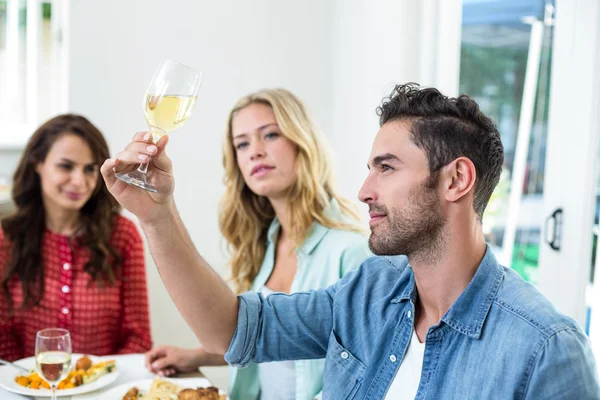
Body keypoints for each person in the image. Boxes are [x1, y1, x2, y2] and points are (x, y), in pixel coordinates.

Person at [102, 84, 599, 399]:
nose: (363, 192)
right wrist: (157, 215)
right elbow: (233, 330)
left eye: (386, 168)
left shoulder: (545, 349)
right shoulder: (368, 290)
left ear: (456, 180)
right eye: (368, 169)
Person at [144, 88, 371, 400]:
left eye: (270, 135)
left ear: (302, 141)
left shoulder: (353, 252)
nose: (255, 151)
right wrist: (197, 356)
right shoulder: (264, 241)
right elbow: (274, 337)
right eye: (242, 144)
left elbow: (363, 374)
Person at [0, 114, 152, 361]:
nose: (79, 181)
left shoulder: (123, 236)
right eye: (66, 166)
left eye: (90, 169)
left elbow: (138, 338)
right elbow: (2, 338)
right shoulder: (8, 238)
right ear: (37, 163)